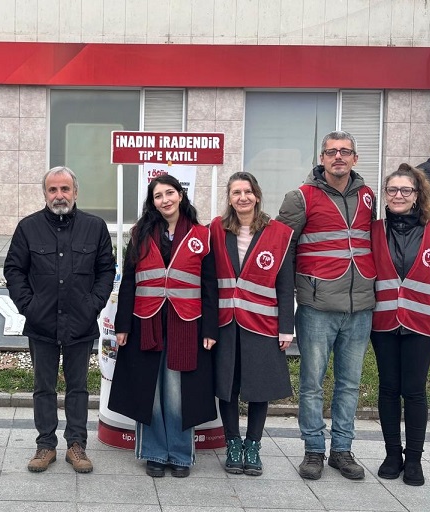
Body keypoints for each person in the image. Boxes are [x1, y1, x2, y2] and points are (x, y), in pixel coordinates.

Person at [277, 130, 376, 480]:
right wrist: (289, 299)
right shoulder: (300, 197)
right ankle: (314, 450)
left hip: (360, 307)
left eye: (345, 151)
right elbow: (282, 250)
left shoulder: (368, 196)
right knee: (312, 384)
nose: (338, 157)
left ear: (355, 158)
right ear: (321, 158)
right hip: (316, 307)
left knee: (349, 384)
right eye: (332, 151)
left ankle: (342, 451)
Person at [3, 166, 115, 474]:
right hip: (41, 323)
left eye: (65, 189)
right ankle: (45, 445)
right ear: (45, 193)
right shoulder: (28, 227)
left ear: (75, 192)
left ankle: (77, 445)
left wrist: (93, 305)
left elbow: (106, 270)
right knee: (44, 387)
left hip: (81, 322)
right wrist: (29, 306)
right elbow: (14, 270)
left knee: (78, 387)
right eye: (53, 190)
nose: (59, 195)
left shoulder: (95, 227)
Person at [108, 174, 218, 478]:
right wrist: (122, 324)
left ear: (180, 195)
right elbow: (128, 281)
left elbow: (210, 286)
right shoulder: (140, 233)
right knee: (151, 390)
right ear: (152, 202)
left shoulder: (202, 235)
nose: (165, 200)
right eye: (158, 196)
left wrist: (210, 329)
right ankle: (154, 453)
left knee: (177, 390)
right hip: (146, 321)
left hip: (187, 324)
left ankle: (180, 454)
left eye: (170, 193)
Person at [370, 163, 430, 486]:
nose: (399, 195)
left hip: (423, 325)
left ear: (417, 195)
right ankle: (393, 455)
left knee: (414, 391)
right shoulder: (374, 231)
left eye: (406, 190)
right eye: (393, 190)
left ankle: (415, 459)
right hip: (384, 323)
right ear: (386, 195)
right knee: (389, 388)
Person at [210, 172, 294, 476]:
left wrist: (286, 327)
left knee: (260, 387)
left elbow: (285, 284)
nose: (242, 197)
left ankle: (253, 445)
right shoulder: (215, 230)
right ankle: (233, 443)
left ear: (257, 195)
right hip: (225, 323)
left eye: (247, 191)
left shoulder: (280, 233)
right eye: (236, 192)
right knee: (227, 386)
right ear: (230, 198)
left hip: (263, 323)